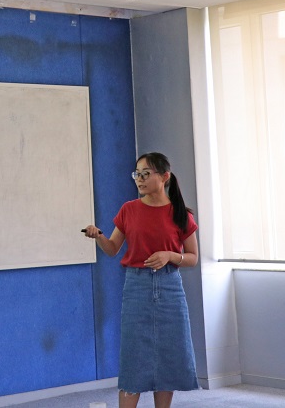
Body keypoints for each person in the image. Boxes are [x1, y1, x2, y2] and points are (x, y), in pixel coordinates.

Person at [83, 152, 200, 408]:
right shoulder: (129, 209)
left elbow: (192, 257)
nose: (140, 179)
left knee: (168, 356)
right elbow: (112, 249)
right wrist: (98, 235)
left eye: (146, 174)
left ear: (165, 177)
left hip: (170, 288)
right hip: (136, 287)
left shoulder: (181, 214)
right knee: (133, 355)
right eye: (137, 174)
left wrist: (170, 256)